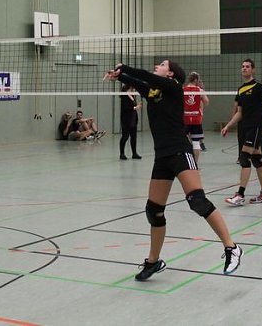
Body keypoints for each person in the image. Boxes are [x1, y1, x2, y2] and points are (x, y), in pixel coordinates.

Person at [103, 60, 242, 279]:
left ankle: (231, 248)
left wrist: (124, 67)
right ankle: (153, 261)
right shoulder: (154, 90)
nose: (157, 66)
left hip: (180, 151)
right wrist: (119, 76)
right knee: (153, 211)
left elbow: (146, 78)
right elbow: (141, 85)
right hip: (162, 156)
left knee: (197, 200)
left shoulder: (174, 87)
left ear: (170, 73)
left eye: (161, 64)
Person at [220, 59, 262, 206]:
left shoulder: (260, 87)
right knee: (257, 160)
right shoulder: (241, 89)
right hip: (244, 128)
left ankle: (240, 195)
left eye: (247, 67)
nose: (244, 69)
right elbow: (239, 113)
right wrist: (228, 125)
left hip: (255, 127)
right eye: (242, 66)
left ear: (253, 70)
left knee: (244, 158)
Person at [183, 72, 210, 161]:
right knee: (196, 142)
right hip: (196, 118)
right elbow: (206, 102)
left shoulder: (183, 90)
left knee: (184, 141)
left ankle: (186, 162)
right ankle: (195, 164)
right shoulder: (199, 90)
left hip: (185, 118)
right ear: (195, 80)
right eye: (198, 79)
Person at [119, 84, 142, 160]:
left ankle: (134, 153)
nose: (133, 90)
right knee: (125, 137)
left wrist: (136, 106)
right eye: (132, 88)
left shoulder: (133, 96)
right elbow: (126, 108)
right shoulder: (124, 96)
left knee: (134, 137)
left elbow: (133, 107)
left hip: (133, 119)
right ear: (128, 88)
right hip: (126, 119)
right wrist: (136, 107)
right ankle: (122, 154)